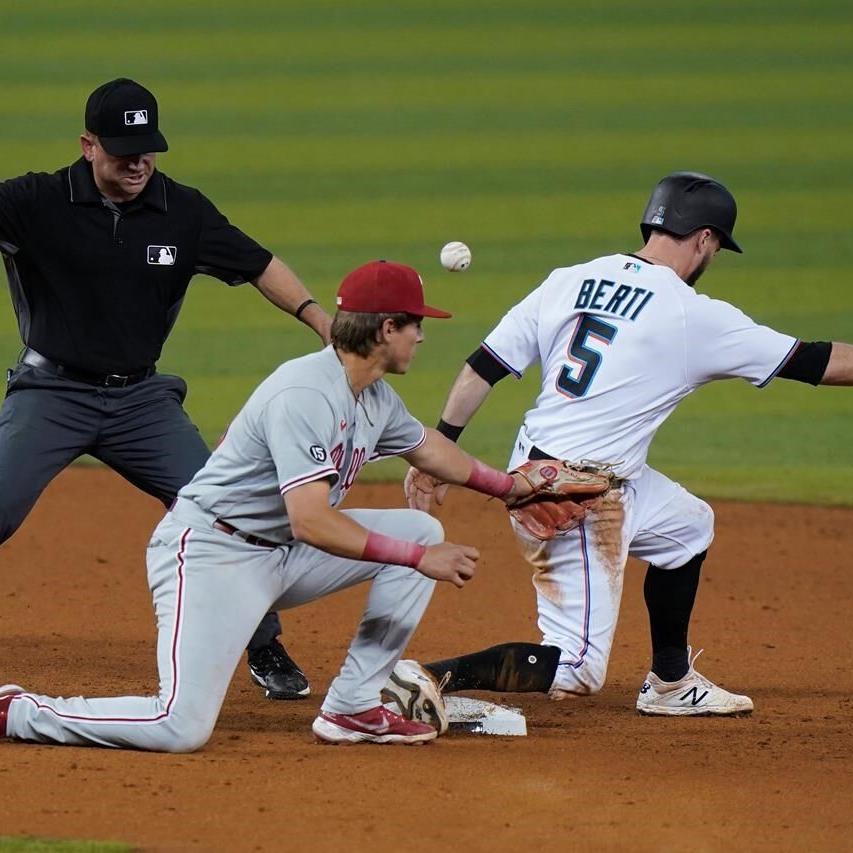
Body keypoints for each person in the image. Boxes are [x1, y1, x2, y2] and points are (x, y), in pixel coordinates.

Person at [0, 259, 540, 750]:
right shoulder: (305, 393)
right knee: (179, 727)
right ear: (387, 329)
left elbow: (427, 448)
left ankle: (354, 707)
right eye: (416, 325)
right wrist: (416, 560)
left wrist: (513, 487)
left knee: (421, 530)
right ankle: (17, 712)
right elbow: (310, 520)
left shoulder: (373, 395)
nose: (422, 337)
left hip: (279, 553)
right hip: (216, 554)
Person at [386, 171, 853, 726]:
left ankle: (671, 682)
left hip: (545, 467)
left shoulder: (571, 279)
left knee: (688, 527)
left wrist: (442, 448)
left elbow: (484, 366)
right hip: (577, 496)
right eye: (718, 247)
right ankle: (429, 676)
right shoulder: (693, 313)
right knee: (577, 668)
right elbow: (819, 362)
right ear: (705, 239)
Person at [0, 78, 331, 701]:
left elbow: (259, 265)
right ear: (88, 145)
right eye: (123, 148)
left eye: (147, 147)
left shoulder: (183, 211)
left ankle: (262, 642)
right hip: (51, 394)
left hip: (140, 403)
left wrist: (320, 320)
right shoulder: (34, 200)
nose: (138, 161)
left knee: (225, 513)